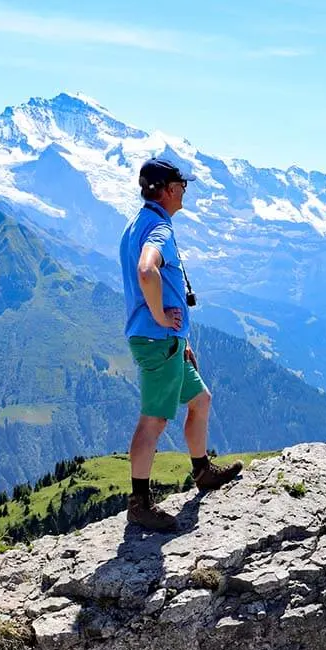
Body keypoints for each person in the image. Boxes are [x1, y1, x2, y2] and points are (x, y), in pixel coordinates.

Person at [119, 158, 242, 531]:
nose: (185, 192)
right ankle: (139, 503)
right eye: (182, 186)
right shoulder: (159, 229)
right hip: (159, 340)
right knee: (154, 419)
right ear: (169, 189)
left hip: (168, 341)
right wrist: (159, 317)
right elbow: (146, 270)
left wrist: (180, 337)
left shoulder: (137, 223)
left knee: (200, 400)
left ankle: (202, 470)